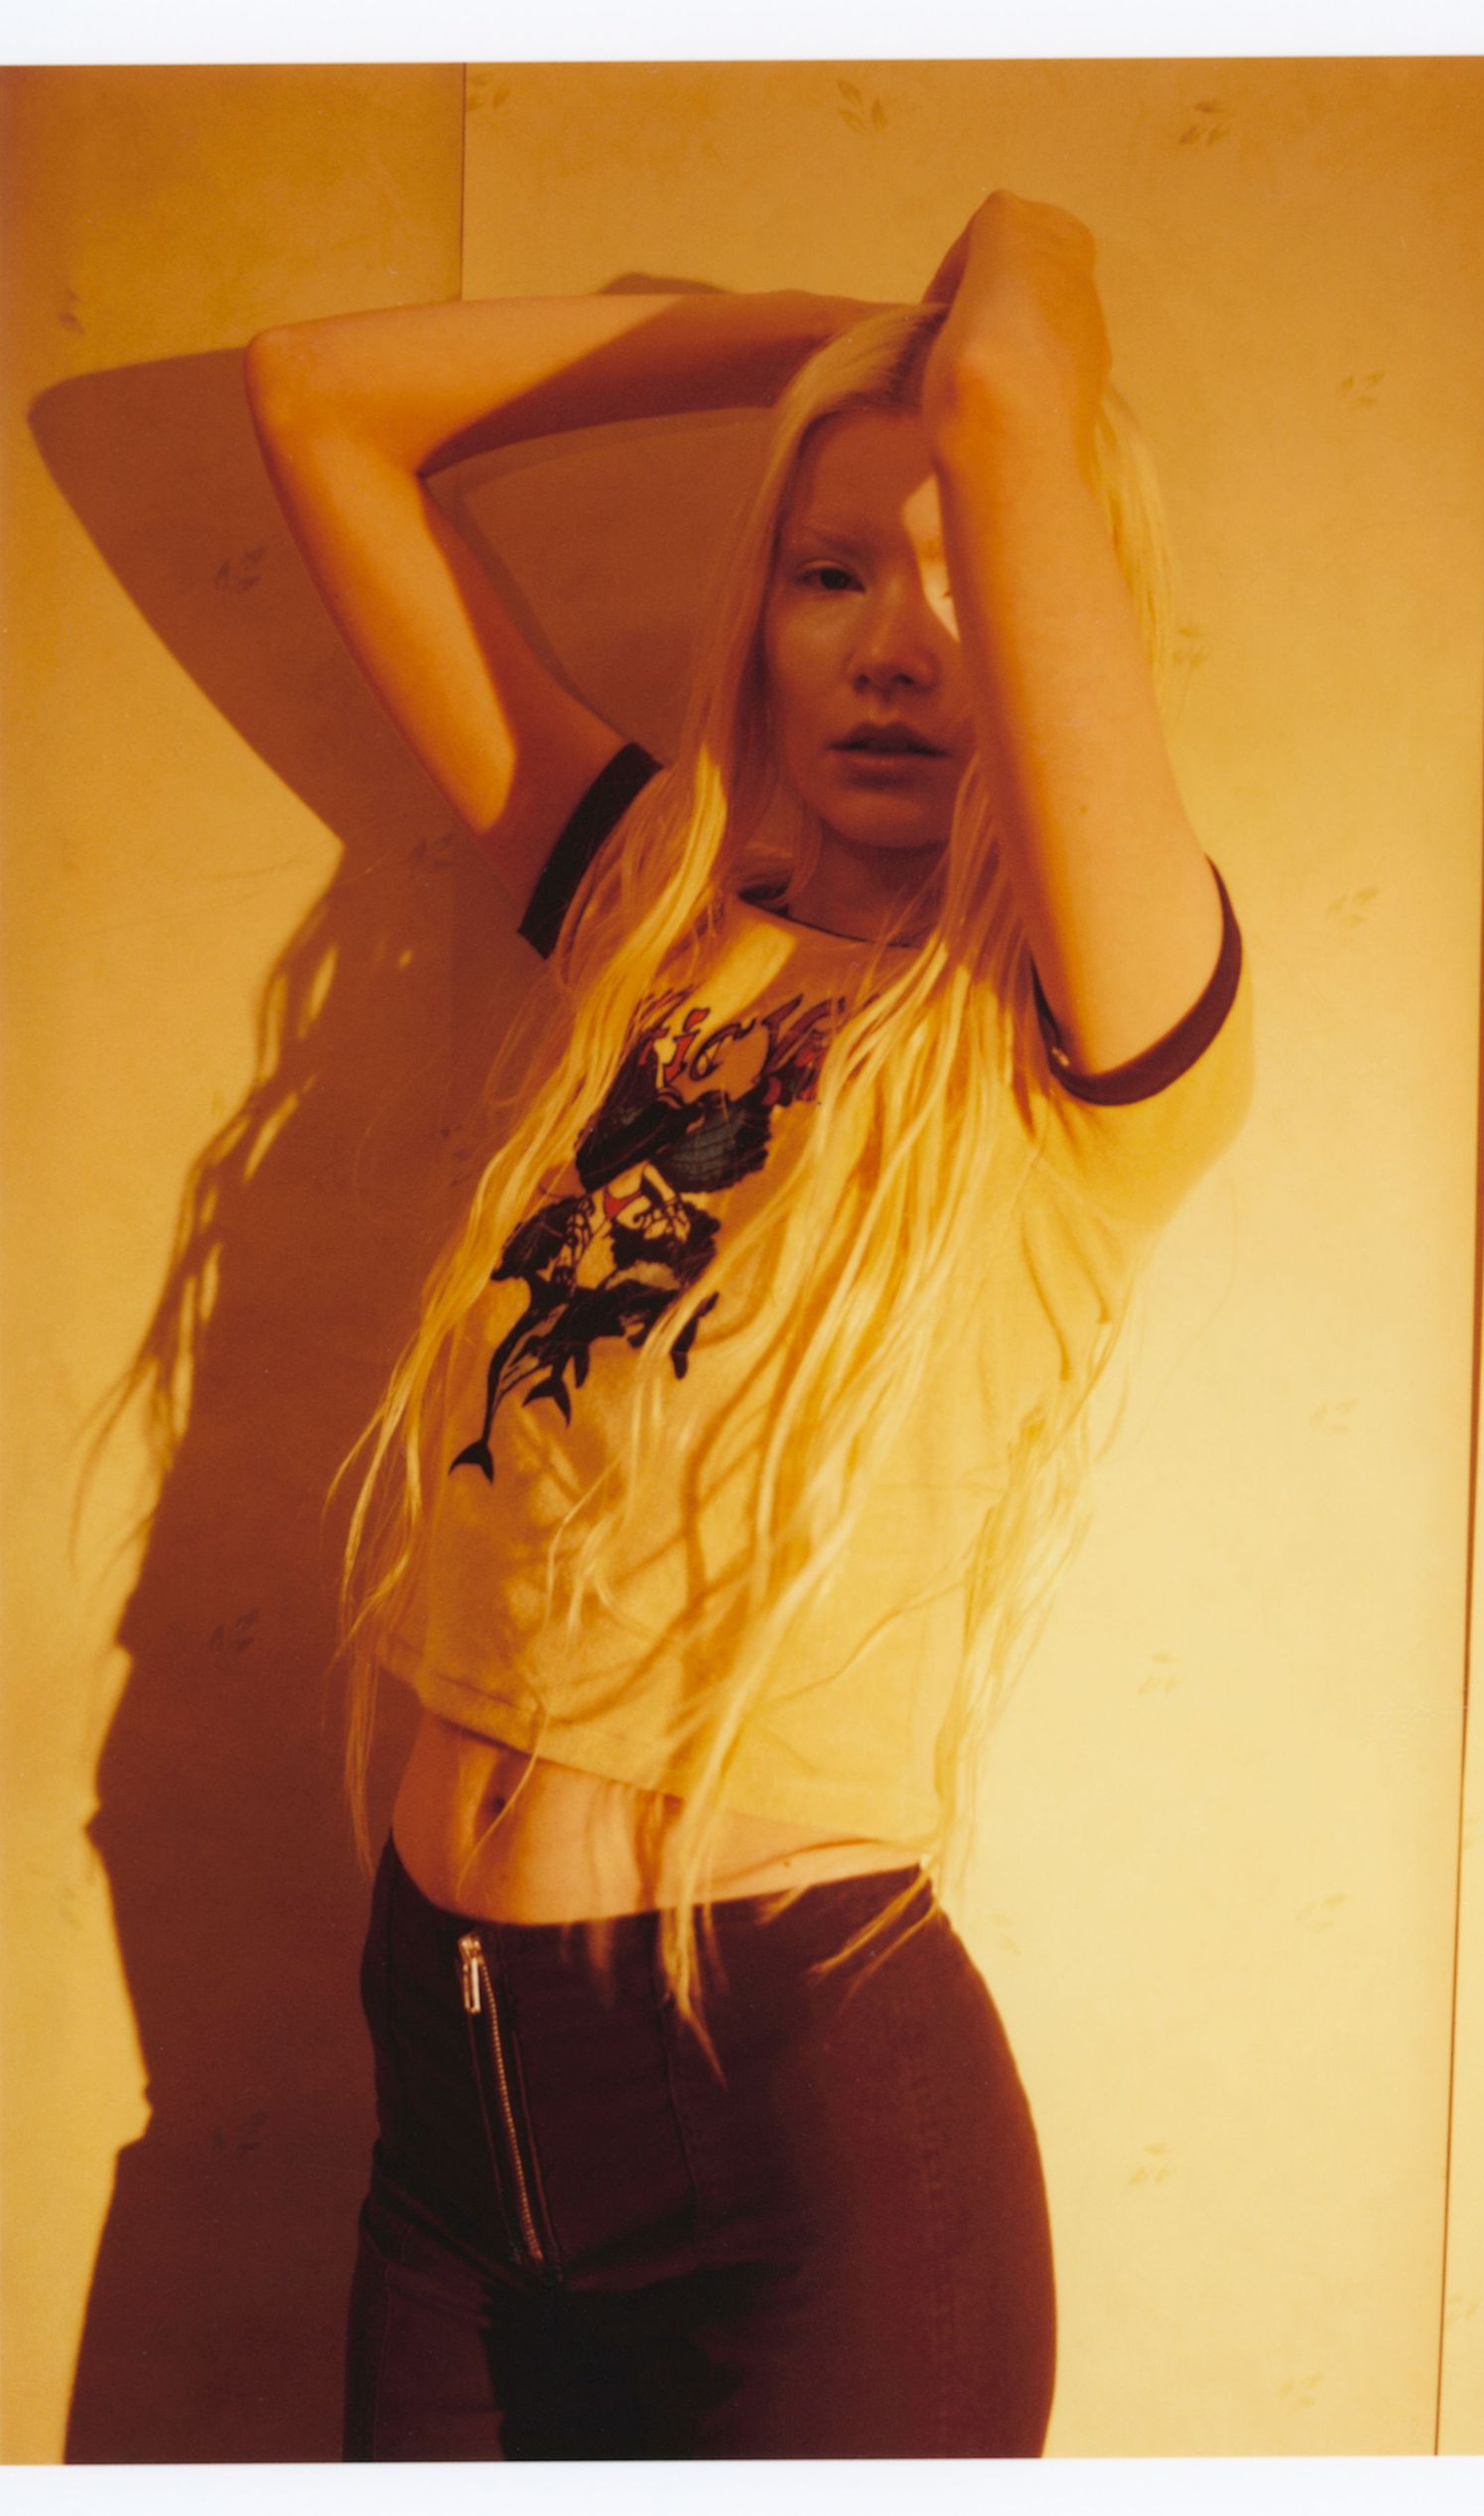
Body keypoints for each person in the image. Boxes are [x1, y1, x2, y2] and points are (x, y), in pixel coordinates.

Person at [244, 192, 1253, 2459]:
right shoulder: (644, 920)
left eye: (972, 580)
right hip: (445, 2106)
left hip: (795, 2134)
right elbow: (311, 401)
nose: (900, 650)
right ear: (763, 625)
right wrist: (807, 343)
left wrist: (993, 296)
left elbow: (1009, 376)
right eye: (832, 576)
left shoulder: (1089, 1031)